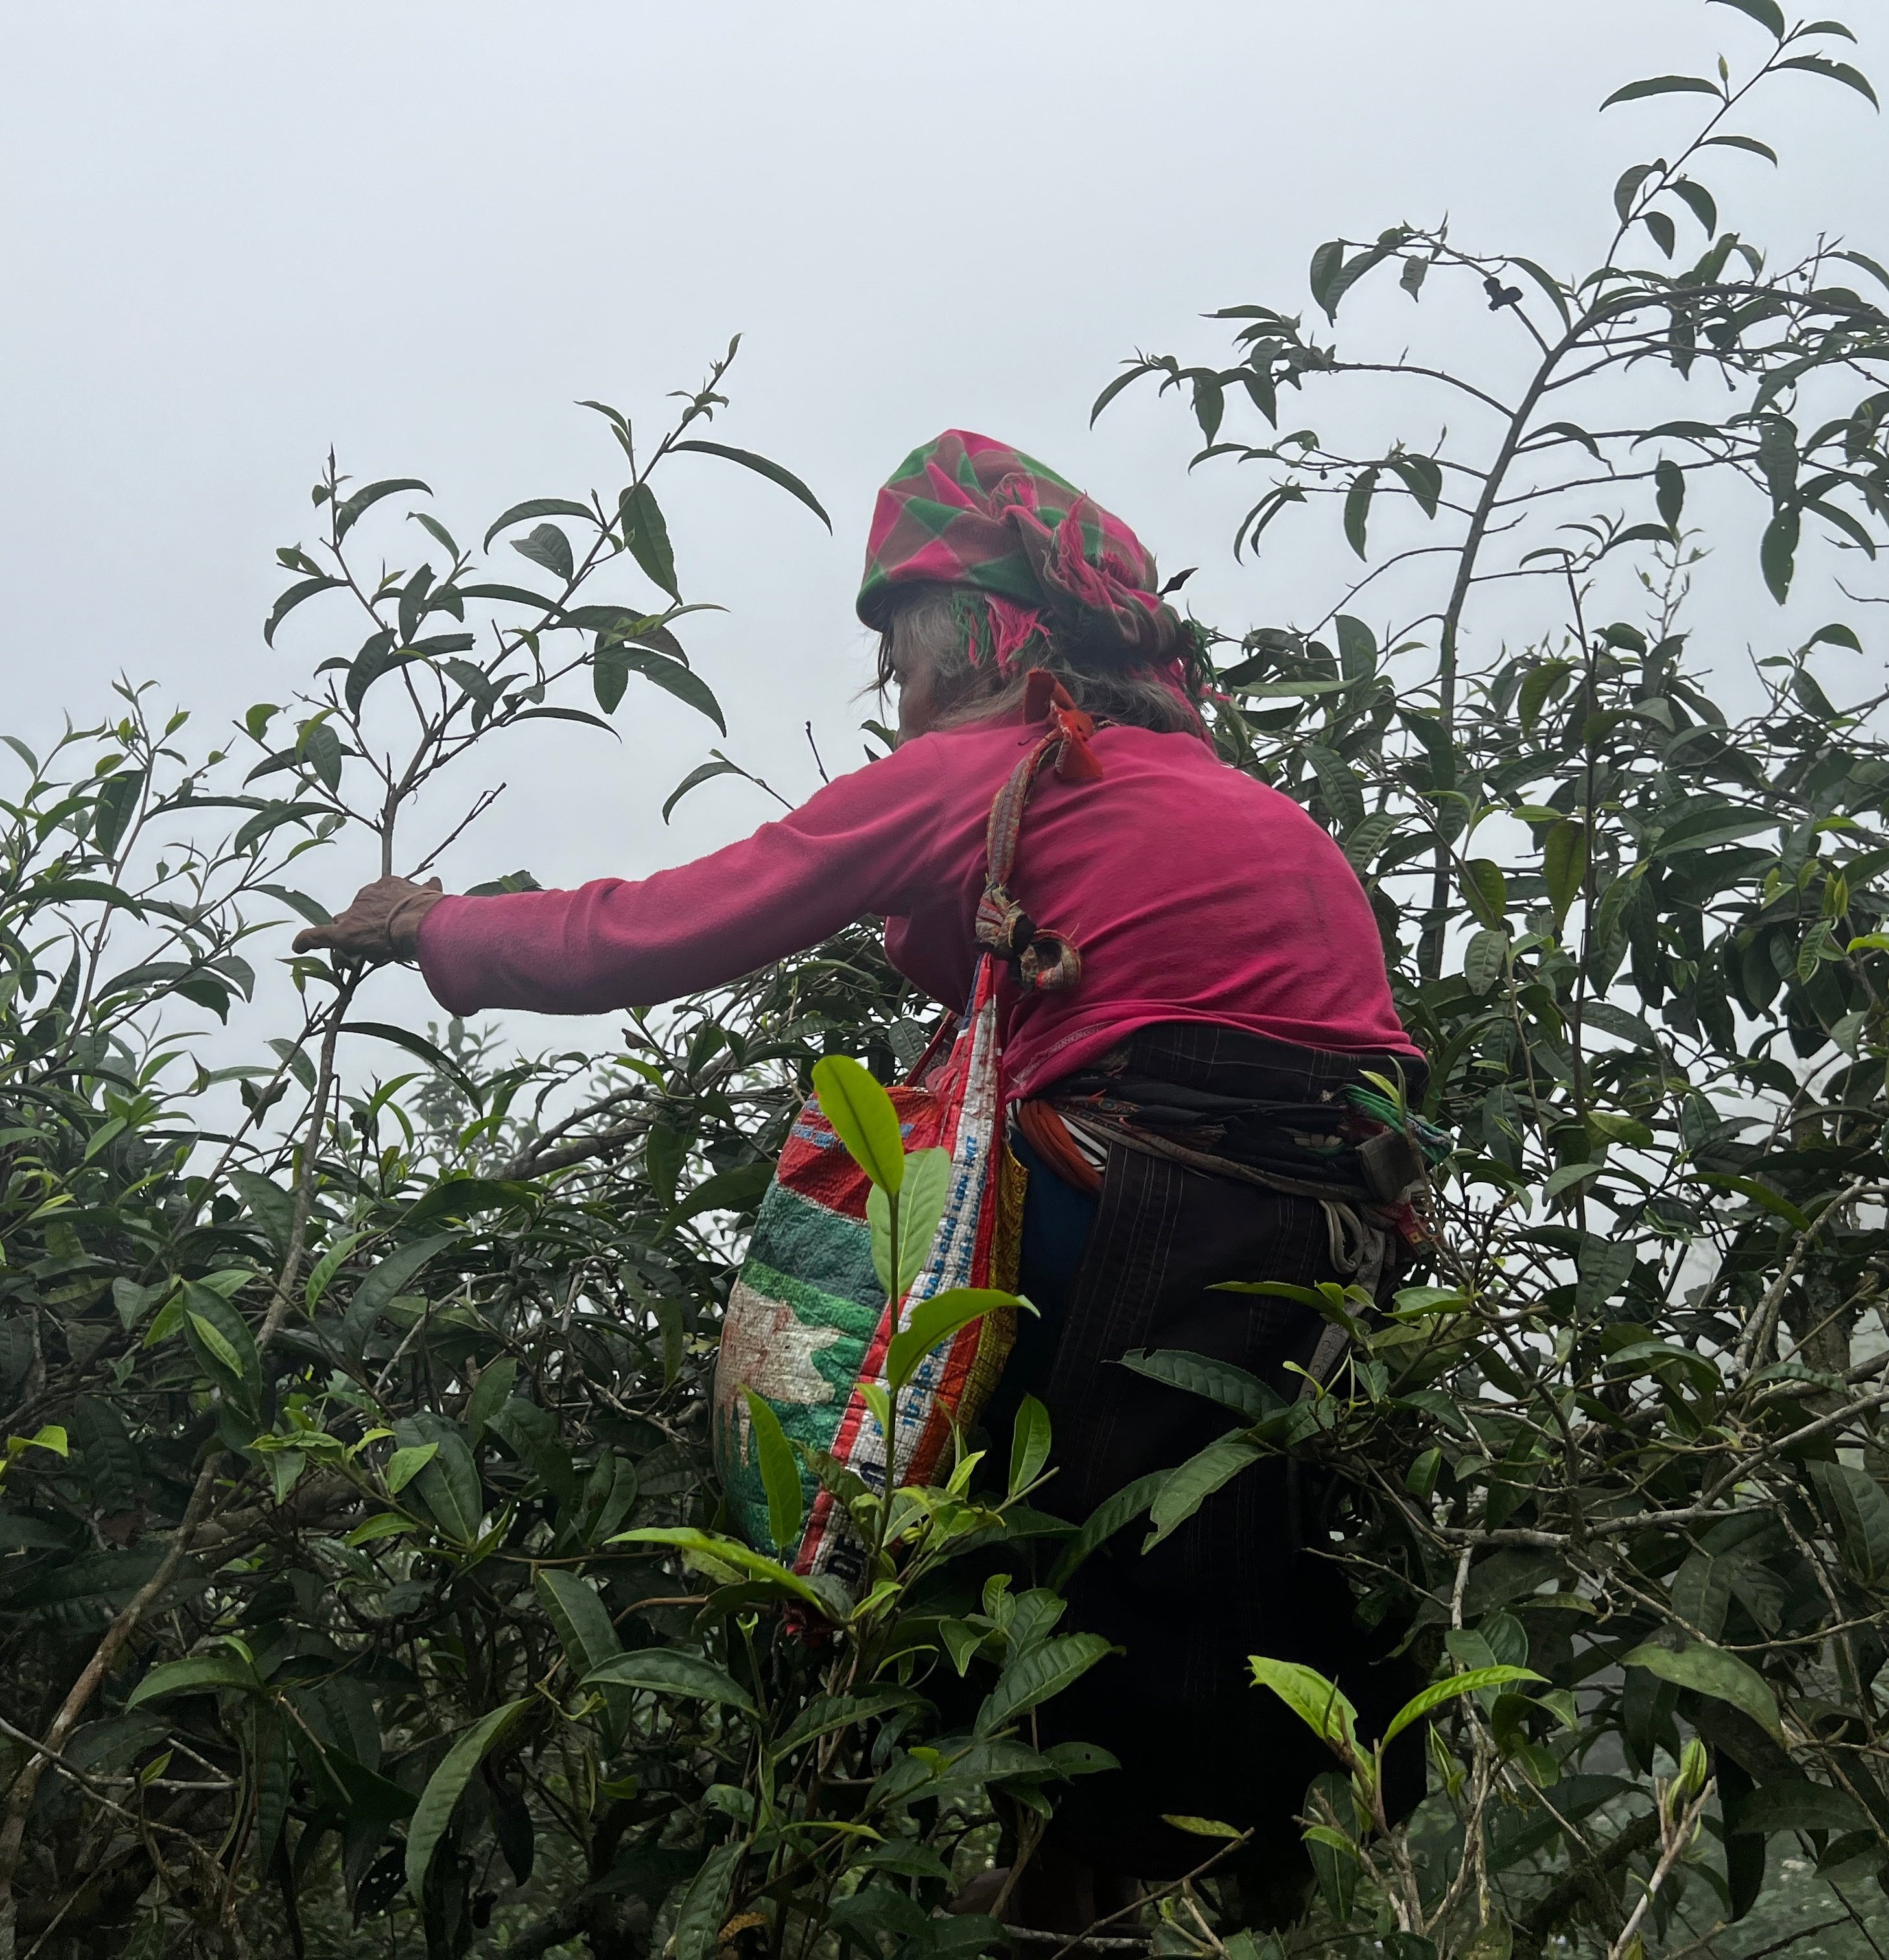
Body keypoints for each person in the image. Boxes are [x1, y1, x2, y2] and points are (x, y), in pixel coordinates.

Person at [298, 430, 1431, 1929]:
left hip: (1132, 1200)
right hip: (1347, 1232)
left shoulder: (992, 762)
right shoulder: (1223, 794)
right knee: (1174, 1542)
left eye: (900, 648)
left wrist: (434, 928)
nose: (892, 687)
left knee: (875, 1456)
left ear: (980, 635)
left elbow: (662, 927)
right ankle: (1126, 1871)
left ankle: (817, 1787)